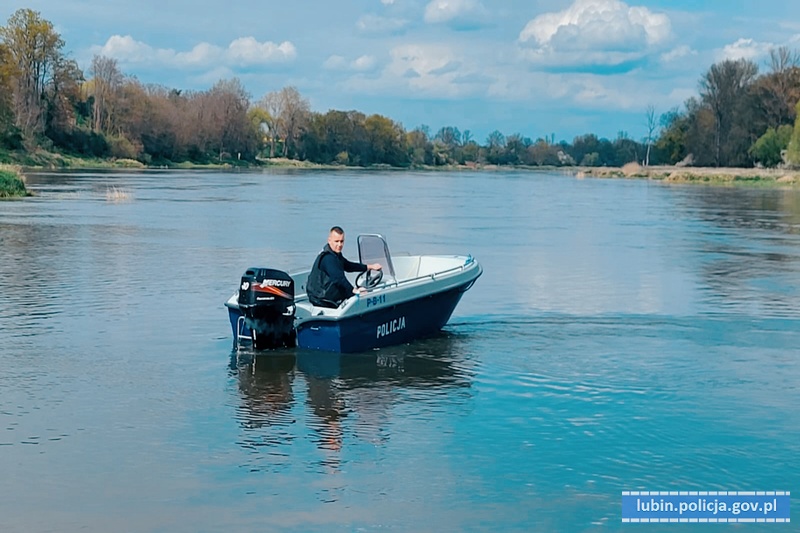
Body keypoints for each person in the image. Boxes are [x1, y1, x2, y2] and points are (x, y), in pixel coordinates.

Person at [306, 226, 381, 308]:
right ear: (329, 240)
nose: (339, 245)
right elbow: (338, 278)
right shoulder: (328, 258)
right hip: (322, 299)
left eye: (342, 241)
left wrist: (369, 267)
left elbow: (348, 265)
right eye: (336, 241)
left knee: (357, 292)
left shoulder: (335, 255)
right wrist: (354, 291)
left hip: (326, 293)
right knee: (357, 293)